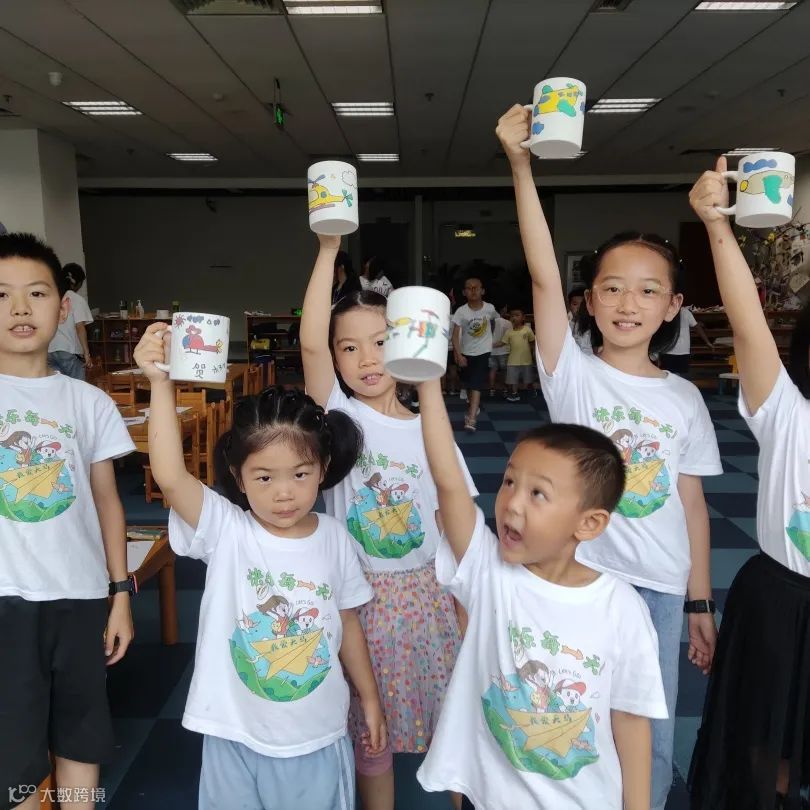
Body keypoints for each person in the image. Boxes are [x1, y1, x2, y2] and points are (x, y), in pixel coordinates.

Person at [496, 104, 723, 810]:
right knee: (567, 714)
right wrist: (521, 165)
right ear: (588, 301)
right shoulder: (573, 375)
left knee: (647, 729)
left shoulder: (684, 399)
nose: (629, 303)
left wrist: (698, 598)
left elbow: (690, 504)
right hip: (577, 576)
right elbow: (540, 275)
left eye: (649, 290)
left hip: (658, 590)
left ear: (673, 306)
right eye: (613, 288)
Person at [134, 327, 388, 810]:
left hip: (315, 734)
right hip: (233, 732)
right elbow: (169, 475)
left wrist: (370, 699)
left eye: (300, 474)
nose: (284, 493)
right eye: (264, 477)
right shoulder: (227, 530)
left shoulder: (335, 538)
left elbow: (348, 624)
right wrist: (160, 383)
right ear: (239, 476)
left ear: (323, 468)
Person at [414, 378, 668, 809]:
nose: (512, 503)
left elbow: (630, 718)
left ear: (588, 523)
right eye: (509, 482)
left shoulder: (622, 609)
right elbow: (449, 482)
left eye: (538, 494)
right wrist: (426, 382)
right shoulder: (489, 573)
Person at [300, 234, 477, 810]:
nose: (367, 359)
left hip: (427, 596)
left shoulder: (430, 427)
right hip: (358, 601)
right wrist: (328, 249)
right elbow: (309, 344)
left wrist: (469, 608)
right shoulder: (338, 417)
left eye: (380, 342)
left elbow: (456, 523)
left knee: (452, 723)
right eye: (348, 348)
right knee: (369, 735)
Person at [687, 157, 810, 810]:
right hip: (778, 606)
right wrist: (717, 227)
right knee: (767, 757)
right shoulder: (787, 410)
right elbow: (747, 323)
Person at [0, 232, 135, 810]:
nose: (20, 308)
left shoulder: (89, 402)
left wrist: (120, 593)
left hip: (80, 595)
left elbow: (108, 501)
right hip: (6, 598)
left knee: (82, 731)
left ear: (63, 306)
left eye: (36, 293)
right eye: (2, 295)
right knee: (15, 747)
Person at [452, 276, 497, 432]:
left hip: (483, 351)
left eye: (476, 287)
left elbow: (493, 322)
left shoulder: (489, 308)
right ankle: (473, 405)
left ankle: (471, 419)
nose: (473, 291)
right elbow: (455, 335)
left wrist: (488, 339)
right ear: (464, 292)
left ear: (482, 291)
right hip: (466, 352)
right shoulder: (461, 311)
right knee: (468, 383)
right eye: (469, 288)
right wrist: (458, 355)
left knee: (476, 383)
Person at [47, 263, 94, 380]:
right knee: (76, 386)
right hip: (69, 351)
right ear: (76, 282)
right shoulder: (76, 299)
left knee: (58, 387)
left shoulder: (51, 297)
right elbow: (80, 327)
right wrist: (86, 354)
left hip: (49, 351)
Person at [659, 306, 713, 376]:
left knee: (668, 377)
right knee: (682, 377)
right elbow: (697, 327)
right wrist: (707, 342)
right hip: (682, 351)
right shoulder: (685, 312)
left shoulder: (665, 311)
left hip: (668, 351)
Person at [497, 308, 537, 402]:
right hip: (512, 361)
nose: (514, 317)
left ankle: (531, 389)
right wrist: (490, 345)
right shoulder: (509, 332)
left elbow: (532, 342)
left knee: (528, 379)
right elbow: (502, 342)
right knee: (513, 380)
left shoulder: (527, 330)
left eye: (517, 315)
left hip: (526, 360)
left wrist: (534, 355)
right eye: (512, 316)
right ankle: (514, 394)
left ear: (523, 318)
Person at [488, 305, 512, 396]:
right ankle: (505, 389)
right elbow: (509, 338)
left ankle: (492, 390)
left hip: (491, 350)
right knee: (504, 371)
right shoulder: (507, 323)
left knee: (492, 370)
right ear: (503, 310)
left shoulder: (489, 322)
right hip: (504, 350)